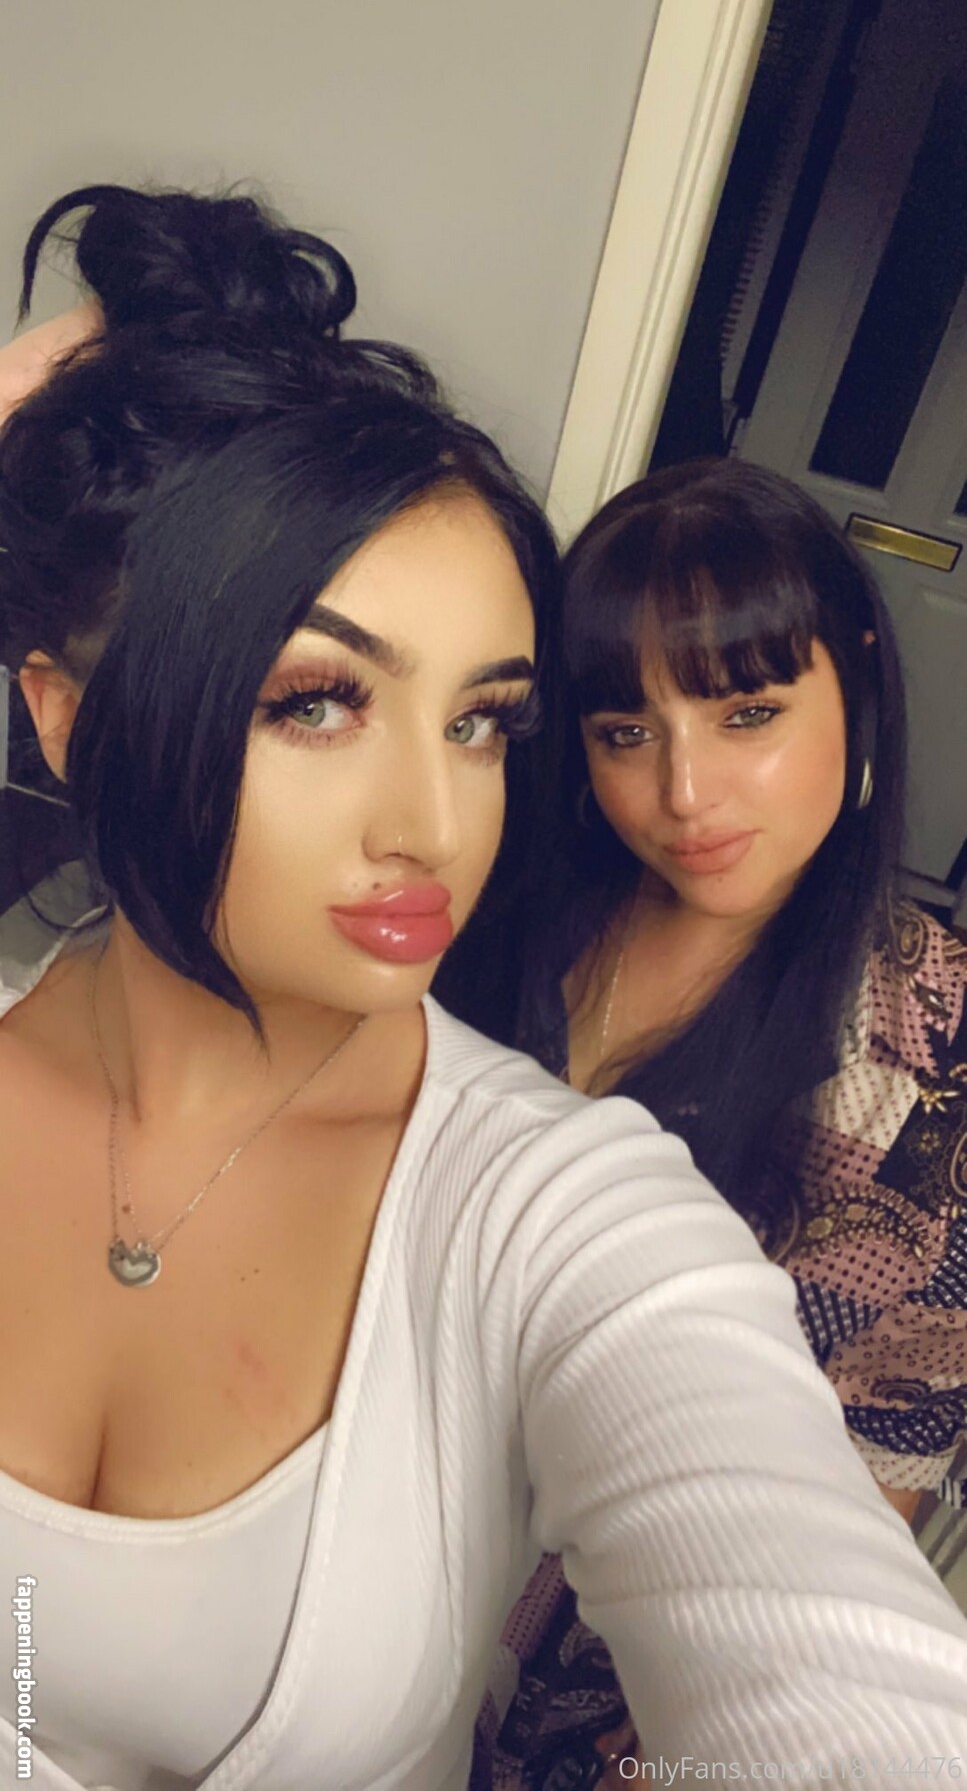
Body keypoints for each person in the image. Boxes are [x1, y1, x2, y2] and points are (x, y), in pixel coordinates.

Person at [1, 194, 966, 1791]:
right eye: (319, 702)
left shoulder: (575, 1196)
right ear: (61, 715)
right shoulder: (526, 916)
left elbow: (824, 1631)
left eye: (477, 723)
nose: (436, 826)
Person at [475, 458, 967, 1790]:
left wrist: (686, 1737)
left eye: (749, 712)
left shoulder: (933, 1060)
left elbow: (891, 1439)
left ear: (858, 678)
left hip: (594, 1663)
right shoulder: (503, 909)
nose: (685, 794)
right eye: (627, 732)